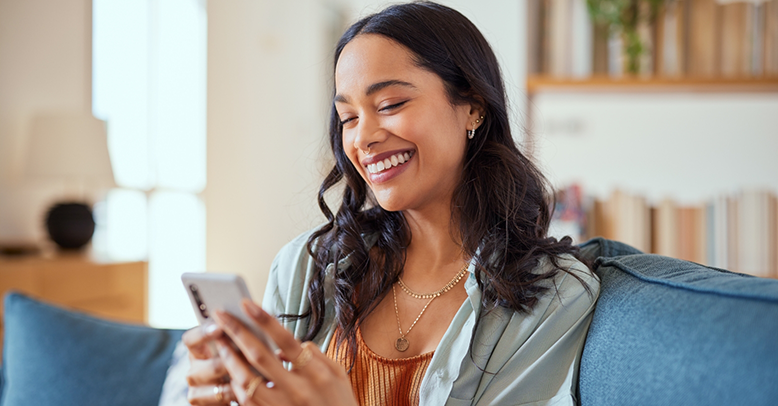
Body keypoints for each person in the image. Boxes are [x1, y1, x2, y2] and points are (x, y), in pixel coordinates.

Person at [183, 2, 599, 405]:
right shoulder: (307, 266)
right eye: (348, 118)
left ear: (473, 106)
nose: (362, 139)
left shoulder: (553, 295)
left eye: (390, 105)